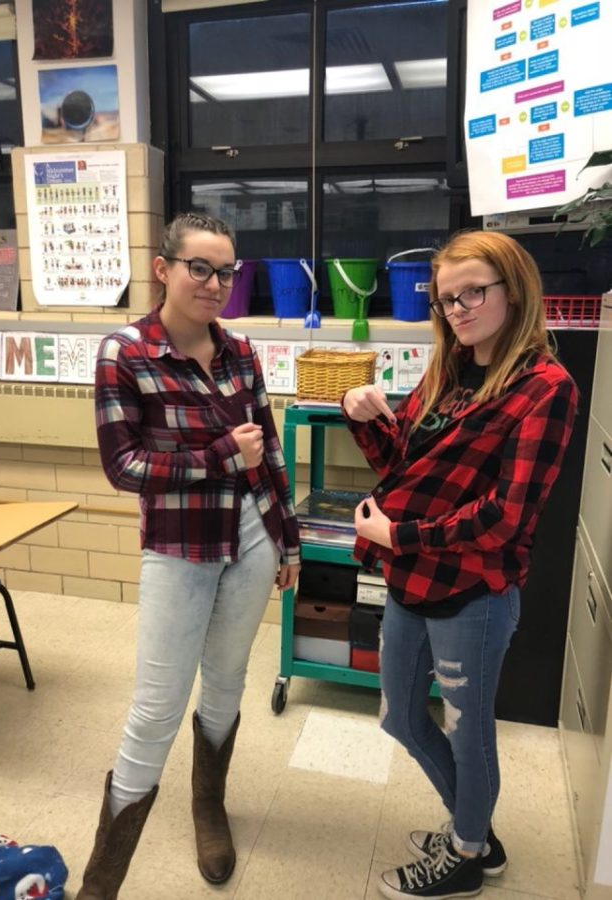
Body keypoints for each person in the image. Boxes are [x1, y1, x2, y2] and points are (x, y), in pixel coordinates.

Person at [342, 230, 578, 900]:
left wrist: (400, 533)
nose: (458, 309)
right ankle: (473, 825)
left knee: (464, 729)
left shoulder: (543, 388)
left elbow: (507, 516)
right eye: (447, 299)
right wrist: (365, 415)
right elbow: (401, 464)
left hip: (473, 591)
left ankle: (467, 853)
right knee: (399, 715)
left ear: (514, 289)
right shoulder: (447, 369)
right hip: (410, 577)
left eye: (473, 291)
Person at [76, 212, 300, 899]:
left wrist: (287, 536)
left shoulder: (239, 352)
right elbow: (124, 468)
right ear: (163, 269)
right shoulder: (126, 354)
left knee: (227, 682)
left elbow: (269, 451)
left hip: (254, 536)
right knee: (155, 708)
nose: (213, 283)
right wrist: (216, 457)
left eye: (225, 271)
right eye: (198, 267)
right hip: (180, 548)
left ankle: (208, 804)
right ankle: (100, 883)